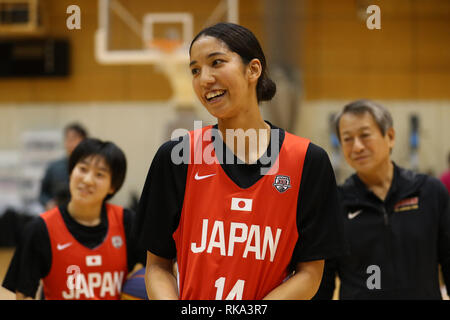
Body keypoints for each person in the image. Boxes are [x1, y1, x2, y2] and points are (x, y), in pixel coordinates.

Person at [138, 22, 345, 300]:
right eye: (195, 70)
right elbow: (157, 266)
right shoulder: (177, 157)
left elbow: (310, 272)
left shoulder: (308, 161)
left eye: (216, 63)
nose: (204, 79)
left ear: (253, 70)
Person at [313, 99, 450, 300]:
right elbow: (322, 282)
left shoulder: (430, 192)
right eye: (347, 139)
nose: (357, 147)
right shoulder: (333, 204)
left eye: (365, 135)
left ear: (391, 136)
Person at [2, 138, 143, 299]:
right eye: (83, 169)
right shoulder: (40, 229)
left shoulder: (127, 222)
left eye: (99, 174)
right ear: (71, 172)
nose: (88, 180)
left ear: (113, 186)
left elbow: (159, 268)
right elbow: (24, 295)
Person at [39, 123, 88, 210]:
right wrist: (48, 203)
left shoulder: (90, 169)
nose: (71, 143)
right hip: (57, 212)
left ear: (84, 141)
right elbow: (42, 194)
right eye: (68, 139)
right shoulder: (54, 167)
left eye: (75, 139)